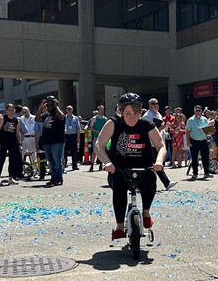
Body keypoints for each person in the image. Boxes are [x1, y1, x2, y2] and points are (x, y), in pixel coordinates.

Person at [95, 93, 166, 241]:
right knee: (119, 189)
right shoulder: (113, 123)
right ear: (121, 112)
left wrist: (159, 161)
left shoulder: (147, 125)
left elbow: (161, 146)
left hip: (143, 168)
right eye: (127, 113)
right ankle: (120, 226)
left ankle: (146, 212)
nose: (132, 117)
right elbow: (99, 145)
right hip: (119, 169)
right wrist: (107, 162)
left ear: (141, 112)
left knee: (151, 181)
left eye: (135, 113)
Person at [36, 97, 66, 186]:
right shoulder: (46, 115)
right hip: (47, 142)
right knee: (50, 161)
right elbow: (37, 119)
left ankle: (59, 178)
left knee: (57, 161)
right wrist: (41, 107)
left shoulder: (59, 114)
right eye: (48, 105)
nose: (49, 106)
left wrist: (57, 106)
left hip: (57, 142)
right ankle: (53, 177)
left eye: (51, 104)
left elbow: (62, 118)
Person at [0, 102, 22, 186]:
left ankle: (11, 178)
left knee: (12, 160)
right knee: (1, 160)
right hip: (3, 142)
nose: (11, 111)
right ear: (7, 110)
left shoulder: (16, 120)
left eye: (12, 110)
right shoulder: (3, 119)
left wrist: (19, 144)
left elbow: (18, 133)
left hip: (13, 142)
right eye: (9, 110)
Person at [186, 104, 212, 179]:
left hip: (203, 141)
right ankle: (195, 173)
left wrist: (210, 132)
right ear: (194, 111)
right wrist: (188, 141)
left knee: (205, 157)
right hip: (194, 141)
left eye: (199, 110)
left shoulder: (204, 119)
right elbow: (187, 131)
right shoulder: (190, 120)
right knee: (194, 158)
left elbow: (207, 130)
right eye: (196, 110)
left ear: (201, 111)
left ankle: (206, 173)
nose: (198, 112)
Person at [19, 106, 39, 178]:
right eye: (24, 111)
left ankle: (35, 171)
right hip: (23, 138)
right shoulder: (21, 118)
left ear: (29, 111)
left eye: (26, 111)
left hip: (32, 137)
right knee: (21, 155)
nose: (25, 113)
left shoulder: (34, 118)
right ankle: (21, 171)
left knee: (33, 156)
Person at [87, 104, 107, 172]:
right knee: (94, 151)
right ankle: (92, 165)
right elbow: (91, 127)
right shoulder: (94, 118)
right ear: (98, 110)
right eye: (101, 110)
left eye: (103, 110)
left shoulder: (105, 119)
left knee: (102, 151)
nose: (102, 111)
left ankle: (101, 164)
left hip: (102, 137)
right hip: (96, 136)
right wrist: (96, 131)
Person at [64, 105, 82, 170]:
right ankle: (64, 163)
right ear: (66, 110)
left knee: (74, 151)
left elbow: (78, 128)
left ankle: (74, 165)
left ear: (72, 110)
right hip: (66, 136)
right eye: (68, 109)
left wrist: (78, 137)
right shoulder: (64, 118)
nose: (69, 110)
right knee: (65, 151)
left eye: (70, 109)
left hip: (73, 136)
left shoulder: (75, 118)